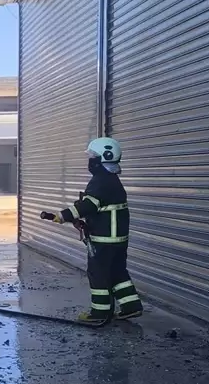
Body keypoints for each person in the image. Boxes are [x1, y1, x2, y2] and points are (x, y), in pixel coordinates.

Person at [40, 137, 143, 326]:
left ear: (101, 158)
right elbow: (99, 208)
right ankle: (131, 306)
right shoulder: (112, 181)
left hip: (104, 240)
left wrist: (61, 216)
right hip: (118, 239)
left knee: (98, 274)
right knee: (117, 272)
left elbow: (87, 205)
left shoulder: (100, 181)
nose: (90, 160)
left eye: (93, 156)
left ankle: (100, 313)